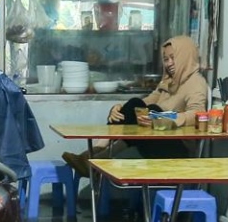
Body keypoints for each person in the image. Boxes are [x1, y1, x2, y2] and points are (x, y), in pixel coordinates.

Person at [60, 35, 209, 178]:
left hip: (178, 149)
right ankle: (96, 155)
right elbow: (146, 101)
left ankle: (94, 159)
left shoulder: (196, 82)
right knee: (136, 105)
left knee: (153, 112)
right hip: (158, 138)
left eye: (173, 58)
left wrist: (167, 119)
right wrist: (119, 108)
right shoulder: (169, 82)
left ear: (185, 56)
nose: (169, 63)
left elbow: (198, 113)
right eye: (166, 59)